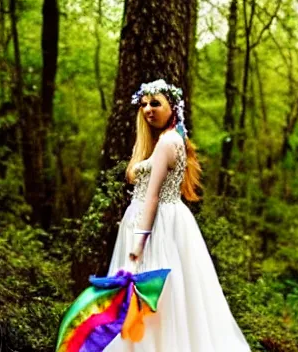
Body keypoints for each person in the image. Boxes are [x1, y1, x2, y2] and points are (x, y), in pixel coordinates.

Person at [104, 79, 251, 352]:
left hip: (156, 228)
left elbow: (152, 197)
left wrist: (138, 245)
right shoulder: (170, 139)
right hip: (163, 222)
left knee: (155, 298)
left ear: (172, 107)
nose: (148, 109)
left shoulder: (167, 143)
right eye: (144, 104)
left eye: (155, 103)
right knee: (159, 299)